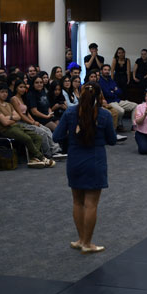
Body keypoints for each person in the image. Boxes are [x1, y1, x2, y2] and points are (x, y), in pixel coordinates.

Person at [53, 82, 117, 254]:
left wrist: (74, 134)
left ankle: (81, 239)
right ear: (99, 96)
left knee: (77, 201)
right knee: (91, 204)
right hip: (95, 161)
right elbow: (112, 140)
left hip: (75, 160)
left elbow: (56, 136)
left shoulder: (69, 112)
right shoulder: (105, 115)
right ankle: (87, 243)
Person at [0, 83, 54, 169]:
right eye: (2, 92)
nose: (5, 94)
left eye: (6, 92)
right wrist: (13, 118)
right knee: (27, 138)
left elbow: (18, 117)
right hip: (6, 130)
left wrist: (9, 117)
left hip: (16, 126)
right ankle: (41, 157)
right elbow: (5, 123)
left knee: (37, 137)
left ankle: (33, 159)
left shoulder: (8, 104)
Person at [11, 79, 65, 160]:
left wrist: (33, 121)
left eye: (24, 87)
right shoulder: (14, 99)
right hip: (20, 123)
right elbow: (21, 115)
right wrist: (32, 122)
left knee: (47, 130)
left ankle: (56, 150)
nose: (22, 89)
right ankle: (47, 154)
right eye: (20, 87)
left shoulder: (23, 98)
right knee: (42, 132)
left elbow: (27, 113)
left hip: (28, 121)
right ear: (16, 88)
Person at [99, 64, 137, 131]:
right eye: (105, 70)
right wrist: (114, 91)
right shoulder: (100, 81)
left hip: (117, 100)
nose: (107, 71)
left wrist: (113, 91)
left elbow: (119, 91)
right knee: (121, 111)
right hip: (109, 102)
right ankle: (118, 125)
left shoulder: (111, 79)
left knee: (135, 106)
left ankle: (134, 126)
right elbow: (107, 94)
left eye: (108, 70)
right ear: (101, 71)